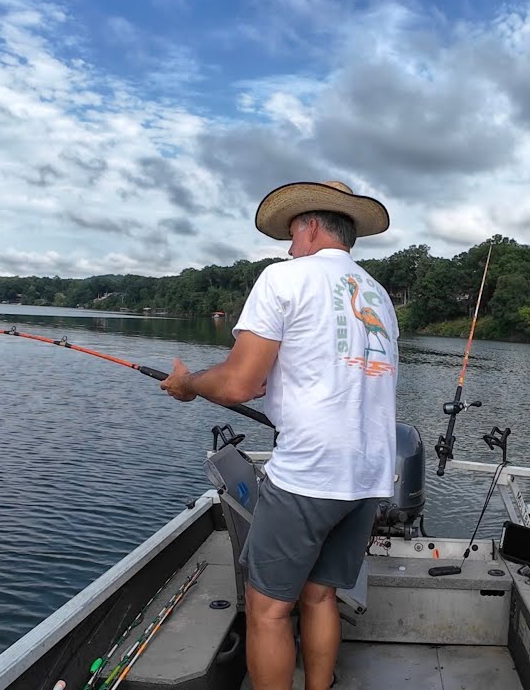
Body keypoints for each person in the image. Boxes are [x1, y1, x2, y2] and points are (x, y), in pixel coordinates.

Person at [160, 180, 400, 690]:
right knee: (321, 596)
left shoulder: (283, 278)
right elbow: (312, 369)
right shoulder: (377, 294)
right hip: (369, 475)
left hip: (309, 475)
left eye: (292, 232)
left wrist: (189, 384)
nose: (288, 246)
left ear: (311, 225)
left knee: (268, 610)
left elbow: (239, 384)